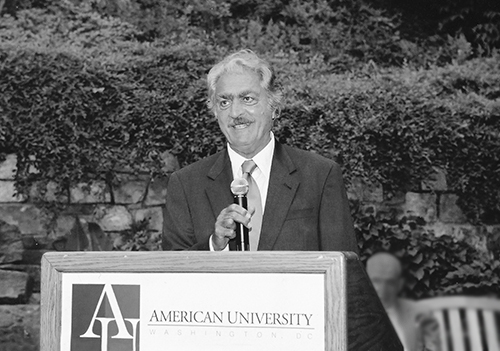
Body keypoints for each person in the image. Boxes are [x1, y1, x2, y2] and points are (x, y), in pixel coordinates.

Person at [162, 49, 358, 253]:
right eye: (224, 102)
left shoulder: (320, 176)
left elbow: (344, 270)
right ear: (214, 112)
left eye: (247, 99)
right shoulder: (186, 185)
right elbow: (172, 274)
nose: (235, 113)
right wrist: (214, 245)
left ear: (274, 106)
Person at [366, 252, 441, 351]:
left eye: (390, 282)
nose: (383, 288)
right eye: (376, 281)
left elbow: (434, 348)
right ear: (365, 281)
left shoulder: (420, 313)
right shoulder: (354, 315)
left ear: (399, 284)